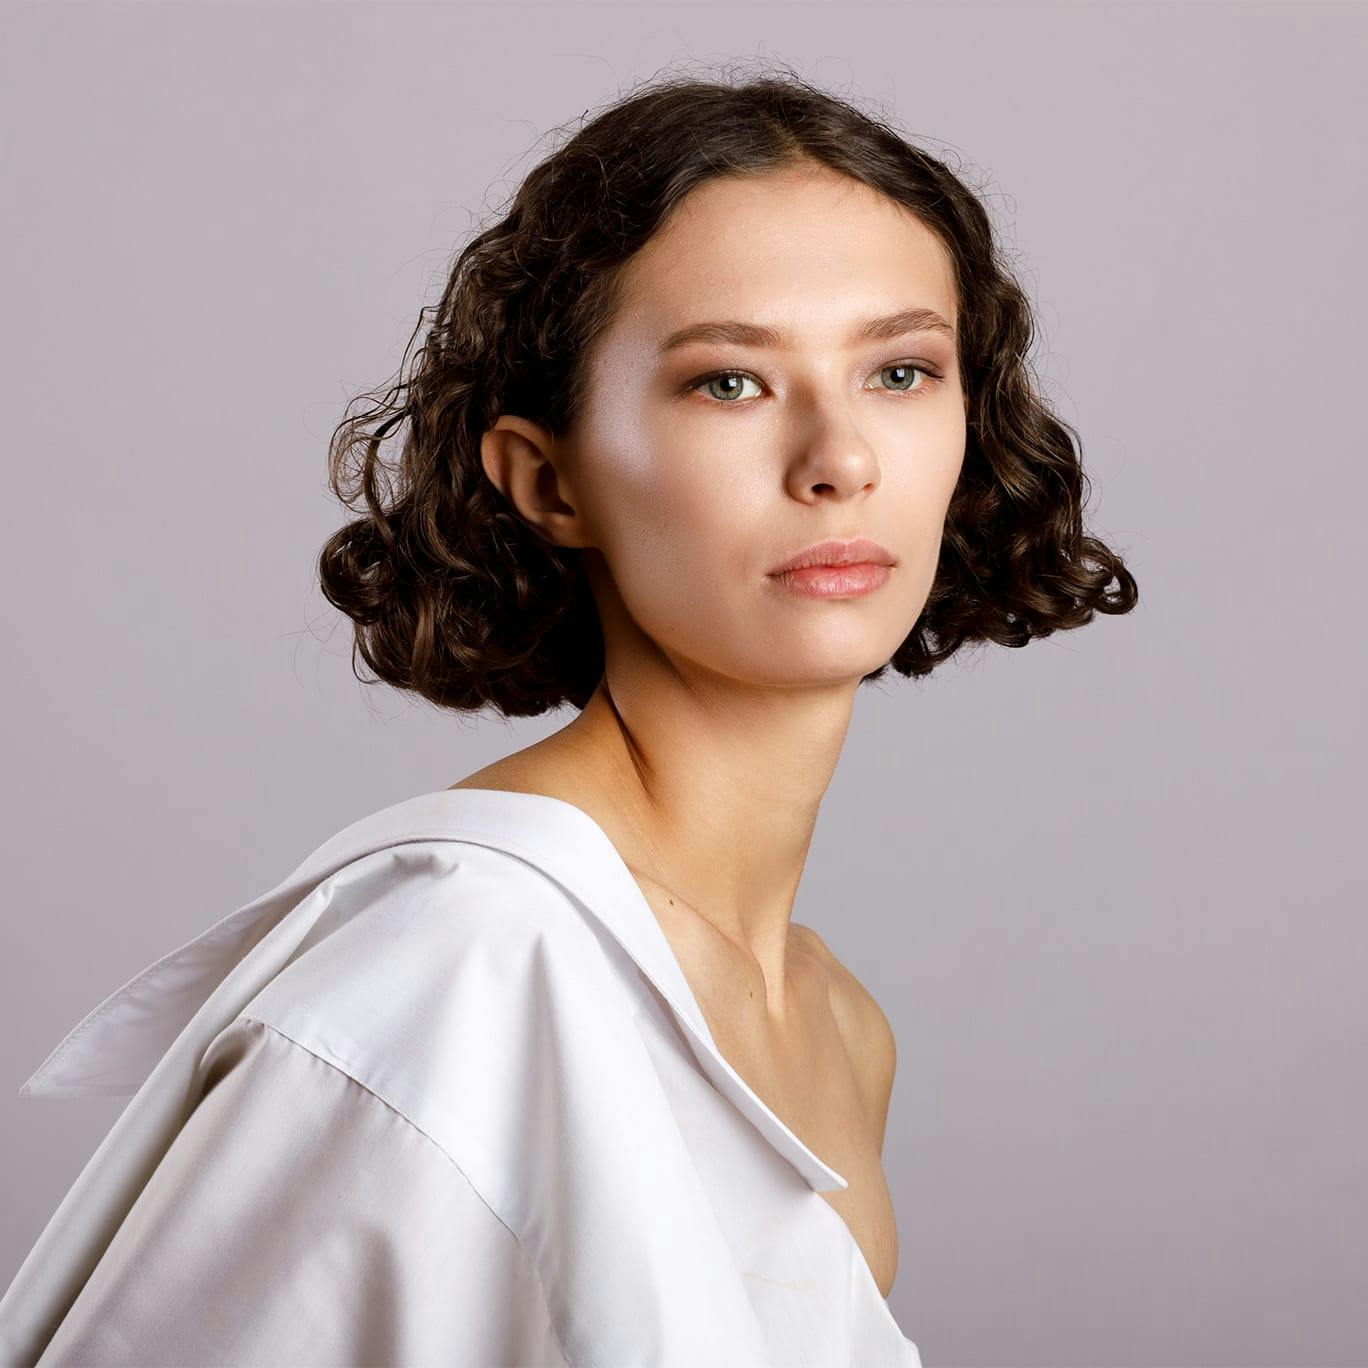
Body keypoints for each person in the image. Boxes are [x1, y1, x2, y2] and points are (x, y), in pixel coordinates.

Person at [0, 64, 1137, 1367]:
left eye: (900, 369)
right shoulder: (470, 960)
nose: (842, 459)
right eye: (729, 383)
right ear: (550, 482)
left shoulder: (839, 1024)